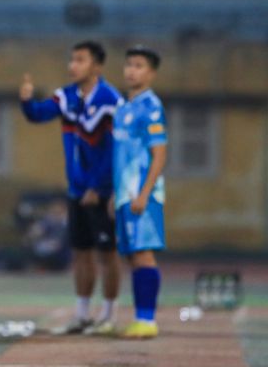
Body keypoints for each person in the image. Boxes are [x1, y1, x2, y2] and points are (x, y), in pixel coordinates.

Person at [20, 41, 122, 335]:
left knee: (107, 253)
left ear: (97, 67)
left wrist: (101, 187)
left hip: (102, 191)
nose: (72, 65)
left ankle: (110, 314)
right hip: (77, 189)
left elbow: (116, 150)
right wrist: (27, 102)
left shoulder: (110, 101)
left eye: (80, 60)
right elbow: (38, 114)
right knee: (80, 252)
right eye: (72, 59)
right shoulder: (66, 97)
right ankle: (82, 313)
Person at [111, 45, 168, 339]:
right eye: (129, 64)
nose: (132, 70)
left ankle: (147, 320)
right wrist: (114, 194)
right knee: (133, 256)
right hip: (124, 194)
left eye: (139, 65)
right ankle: (140, 317)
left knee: (144, 255)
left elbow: (159, 154)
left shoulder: (151, 107)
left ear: (151, 73)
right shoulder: (124, 107)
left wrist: (144, 193)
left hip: (141, 195)